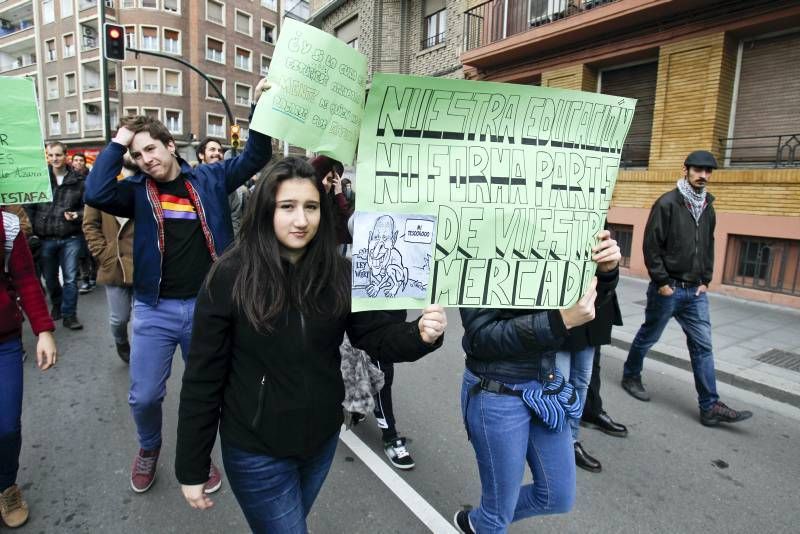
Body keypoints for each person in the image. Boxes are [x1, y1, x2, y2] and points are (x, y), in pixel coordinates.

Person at [175, 157, 447, 533]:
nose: (301, 220)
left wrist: (421, 335)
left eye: (311, 207)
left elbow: (373, 337)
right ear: (266, 209)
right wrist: (192, 465)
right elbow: (202, 378)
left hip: (320, 441)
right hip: (256, 450)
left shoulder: (338, 272)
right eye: (287, 207)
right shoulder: (229, 275)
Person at [85, 78, 272, 494]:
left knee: (208, 392)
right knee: (146, 396)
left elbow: (257, 153)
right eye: (137, 154)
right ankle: (149, 448)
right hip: (154, 309)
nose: (145, 158)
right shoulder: (134, 192)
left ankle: (198, 457)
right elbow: (95, 191)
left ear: (170, 146)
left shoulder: (210, 178)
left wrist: (259, 104)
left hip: (208, 309)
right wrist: (119, 140)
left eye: (150, 148)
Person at [454, 231, 620, 534]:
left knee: (558, 495)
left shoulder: (558, 229)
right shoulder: (479, 234)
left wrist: (606, 274)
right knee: (497, 515)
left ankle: (479, 522)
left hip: (544, 387)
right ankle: (489, 520)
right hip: (497, 391)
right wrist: (558, 321)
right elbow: (480, 337)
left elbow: (583, 304)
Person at [621, 150, 753, 427]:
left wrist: (705, 279)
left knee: (703, 347)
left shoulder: (708, 207)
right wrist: (662, 282)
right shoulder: (667, 203)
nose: (703, 176)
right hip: (668, 289)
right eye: (698, 170)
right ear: (686, 170)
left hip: (695, 292)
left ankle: (710, 406)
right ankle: (631, 375)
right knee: (648, 336)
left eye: (708, 172)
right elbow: (651, 246)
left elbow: (708, 244)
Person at [0, 209, 57, 529]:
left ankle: (6, 485)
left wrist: (44, 330)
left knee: (6, 426)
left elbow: (25, 278)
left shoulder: (7, 225)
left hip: (4, 342)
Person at [558, 287, 627, 474]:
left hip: (593, 306)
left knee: (581, 380)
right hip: (562, 306)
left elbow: (609, 274)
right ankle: (558, 443)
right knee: (560, 384)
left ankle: (571, 440)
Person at [82, 156, 138, 363]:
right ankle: (121, 341)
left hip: (144, 263)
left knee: (144, 321)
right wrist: (103, 253)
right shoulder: (100, 184)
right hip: (114, 263)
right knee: (119, 318)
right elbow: (90, 224)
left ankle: (142, 355)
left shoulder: (148, 180)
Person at [25, 141, 85, 330]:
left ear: (66, 155)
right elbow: (30, 207)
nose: (54, 159)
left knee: (70, 278)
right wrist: (32, 230)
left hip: (71, 237)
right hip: (45, 238)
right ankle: (57, 304)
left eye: (58, 155)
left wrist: (78, 215)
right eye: (50, 155)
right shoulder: (39, 180)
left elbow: (89, 208)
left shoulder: (79, 180)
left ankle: (70, 314)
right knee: (50, 278)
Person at [310, 156, 352, 255]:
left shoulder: (334, 204)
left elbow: (348, 222)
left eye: (329, 179)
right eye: (322, 177)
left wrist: (339, 194)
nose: (325, 182)